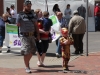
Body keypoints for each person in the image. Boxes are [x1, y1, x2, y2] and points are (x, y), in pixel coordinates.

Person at [16, 0, 40, 73]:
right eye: (28, 6)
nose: (29, 7)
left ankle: (27, 62)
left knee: (32, 51)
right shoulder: (19, 15)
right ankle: (27, 67)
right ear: (24, 6)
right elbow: (17, 24)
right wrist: (18, 22)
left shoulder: (33, 14)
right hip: (24, 36)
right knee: (26, 51)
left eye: (30, 6)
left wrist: (38, 34)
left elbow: (36, 25)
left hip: (32, 35)